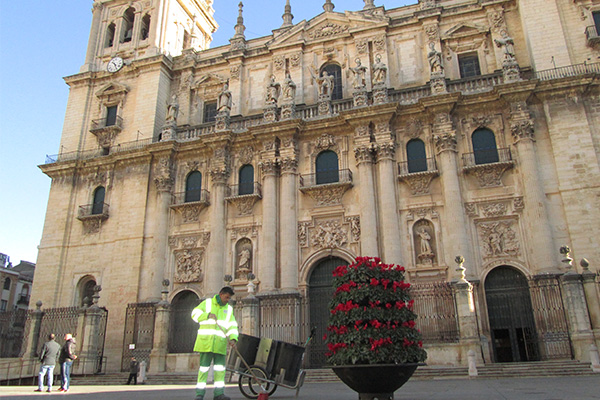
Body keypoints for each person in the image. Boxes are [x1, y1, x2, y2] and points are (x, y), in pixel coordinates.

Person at [190, 287, 239, 400]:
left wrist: (233, 338)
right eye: (226, 297)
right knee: (203, 369)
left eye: (229, 298)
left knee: (220, 370)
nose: (228, 300)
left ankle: (219, 393)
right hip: (206, 343)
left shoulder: (229, 309)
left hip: (220, 344)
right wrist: (206, 315)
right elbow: (194, 314)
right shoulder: (207, 303)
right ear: (221, 294)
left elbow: (232, 325)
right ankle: (199, 394)